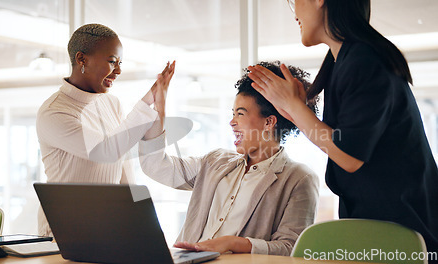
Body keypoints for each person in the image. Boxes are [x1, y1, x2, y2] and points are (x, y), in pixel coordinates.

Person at [248, 0, 438, 255]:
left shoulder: (364, 60)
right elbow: (341, 143)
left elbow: (349, 155)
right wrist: (294, 113)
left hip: (403, 233)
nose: (294, 13)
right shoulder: (345, 60)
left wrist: (295, 109)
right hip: (381, 228)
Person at [139, 61, 319, 255]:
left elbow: (291, 248)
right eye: (233, 113)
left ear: (269, 122)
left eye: (240, 114)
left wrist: (232, 243)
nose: (232, 122)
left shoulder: (299, 179)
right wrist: (159, 113)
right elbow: (156, 166)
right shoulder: (215, 162)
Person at [36, 23, 175, 236]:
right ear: (82, 59)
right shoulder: (55, 112)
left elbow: (122, 167)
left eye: (120, 63)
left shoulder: (111, 103)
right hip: (63, 230)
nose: (118, 71)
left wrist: (137, 219)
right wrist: (147, 101)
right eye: (112, 62)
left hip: (105, 226)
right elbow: (107, 151)